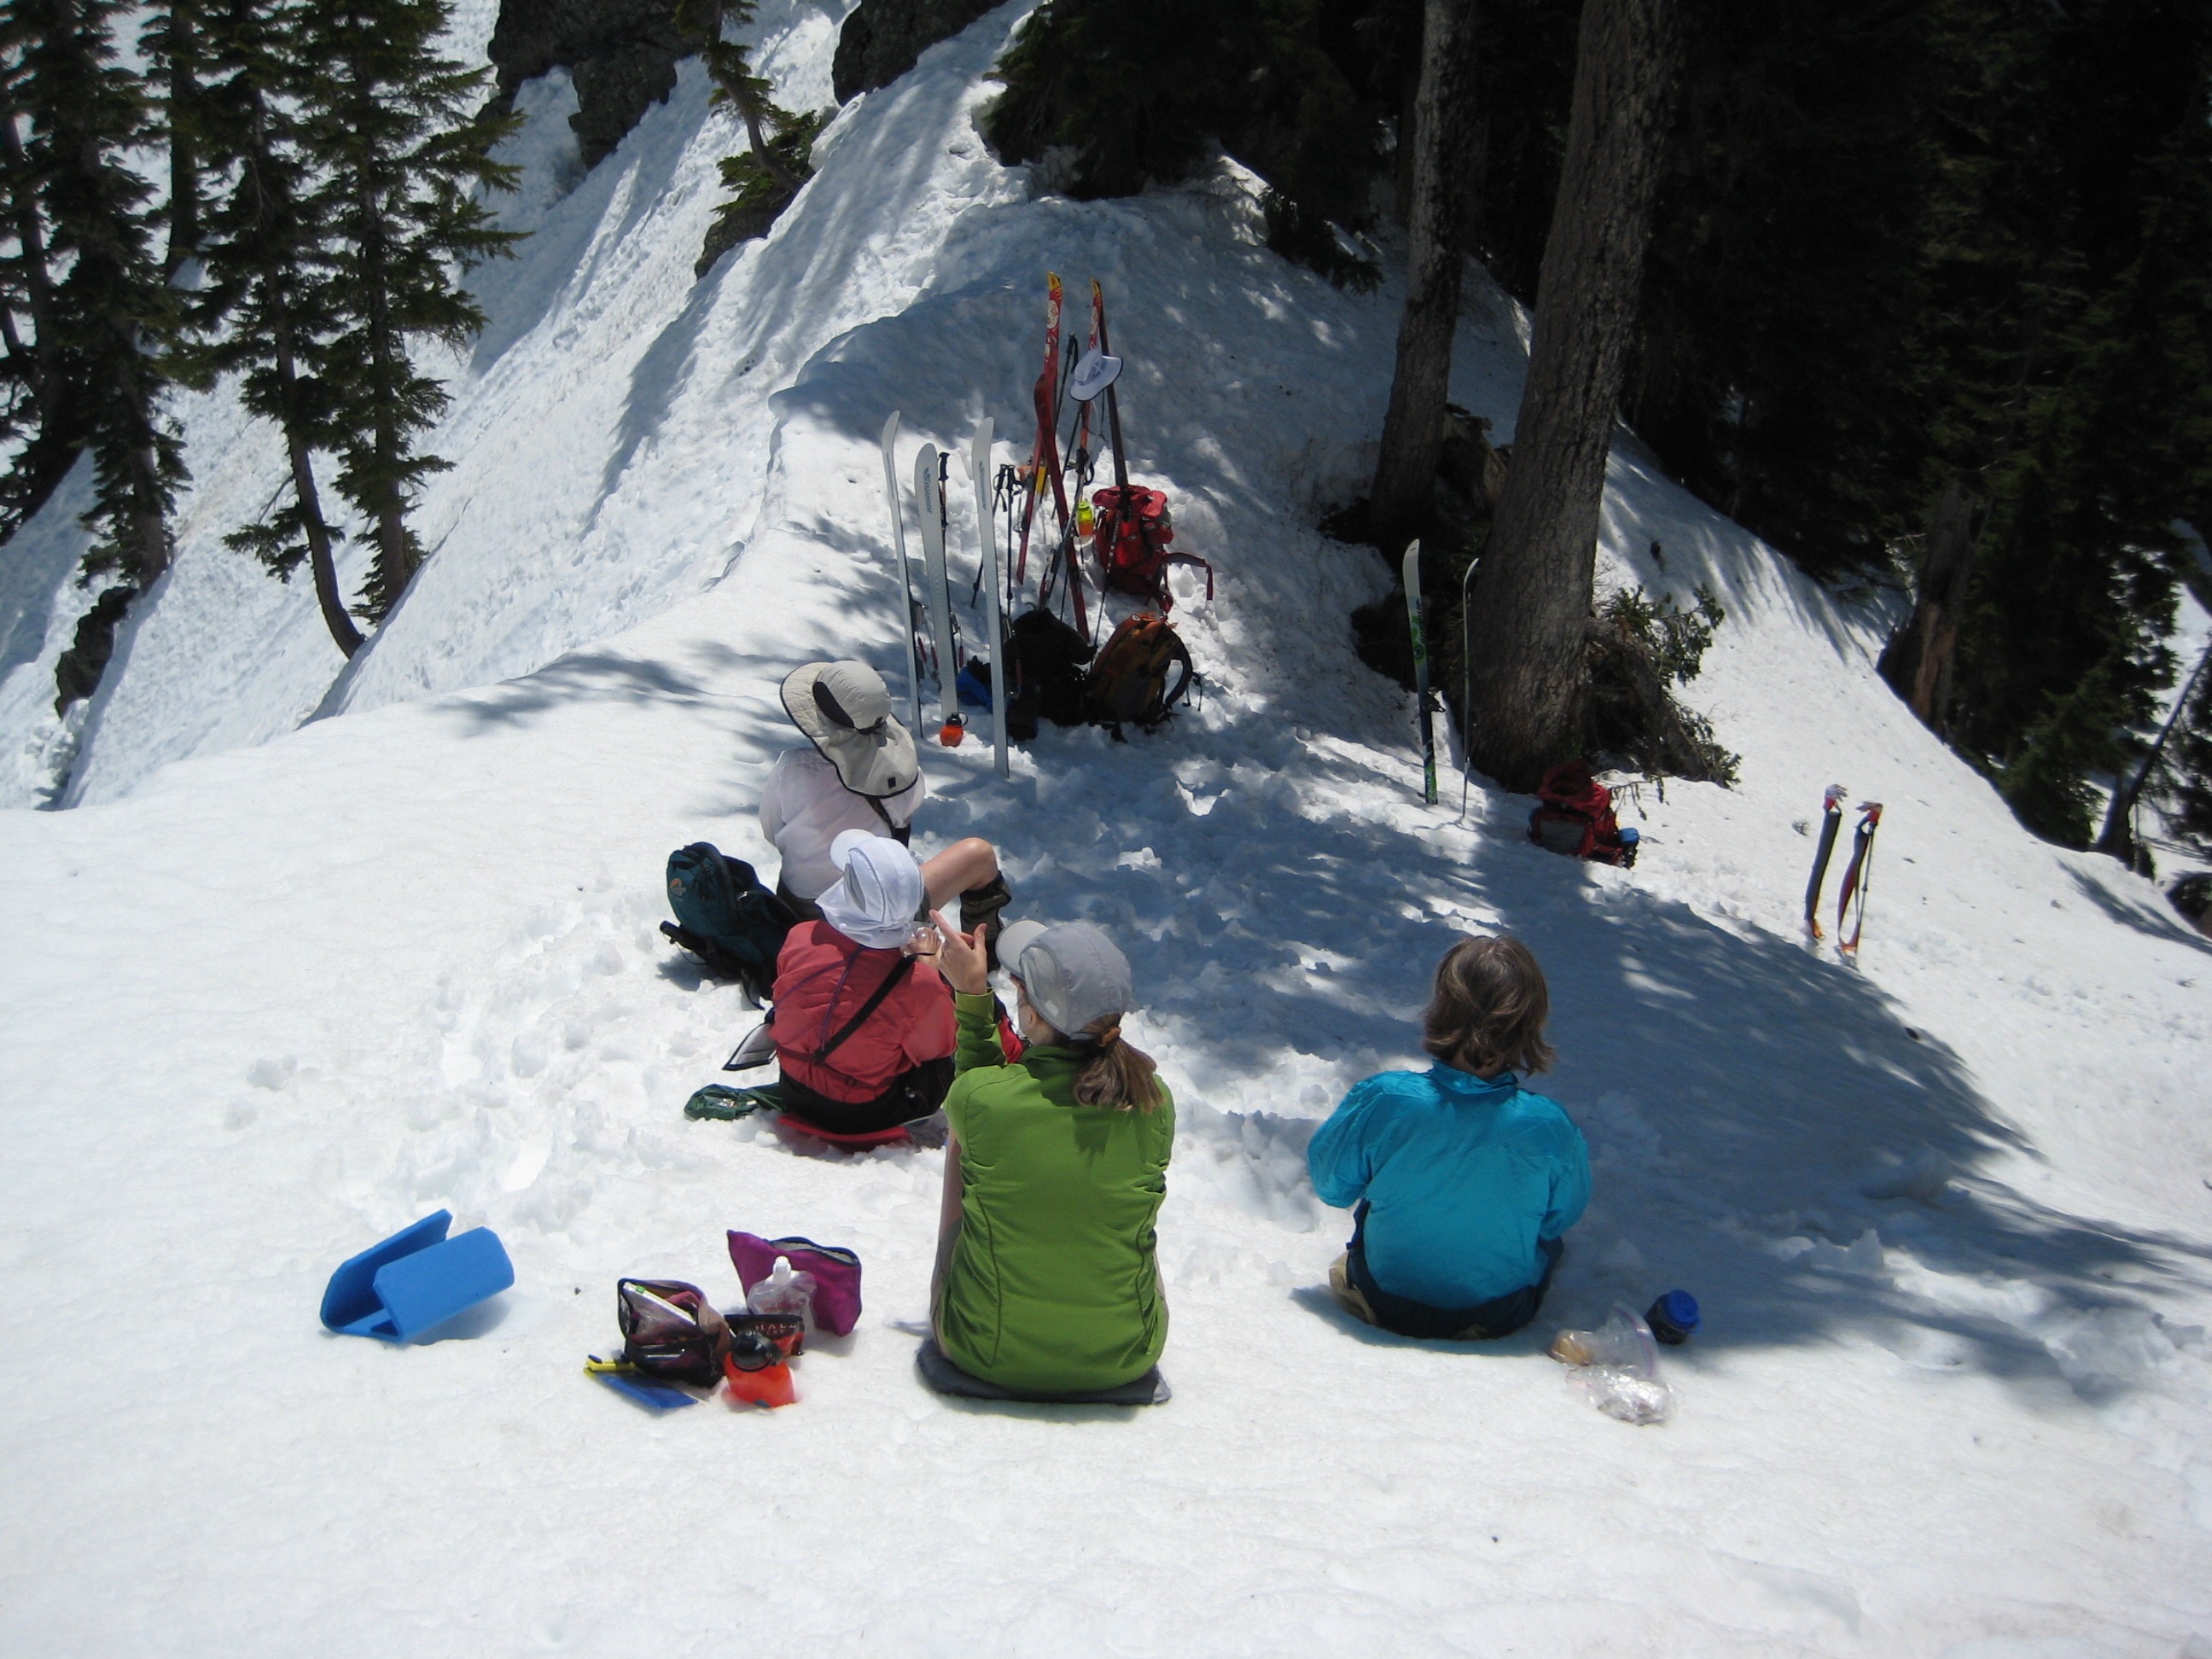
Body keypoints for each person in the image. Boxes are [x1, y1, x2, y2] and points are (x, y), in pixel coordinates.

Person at [924, 914, 1173, 1394]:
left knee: (966, 1138)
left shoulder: (984, 1100)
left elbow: (976, 1096)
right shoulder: (1153, 1101)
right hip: (1128, 1356)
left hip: (985, 1352)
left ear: (1033, 1016)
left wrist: (972, 996)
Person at [1307, 934, 1589, 1341]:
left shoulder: (1387, 1099)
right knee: (1547, 1244)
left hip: (1385, 1298)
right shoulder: (1550, 1126)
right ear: (1530, 1022)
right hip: (1496, 1312)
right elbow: (1560, 1217)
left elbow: (1332, 1186)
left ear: (1443, 1008)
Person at [760, 661, 1012, 951]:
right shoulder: (901, 774)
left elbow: (772, 833)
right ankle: (983, 954)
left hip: (800, 916)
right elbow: (902, 823)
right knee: (978, 855)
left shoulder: (792, 767)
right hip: (883, 921)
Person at [769, 831, 957, 1136]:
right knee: (943, 1050)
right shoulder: (920, 982)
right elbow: (940, 1047)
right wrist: (932, 973)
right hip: (865, 1113)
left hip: (794, 1089)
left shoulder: (801, 936)